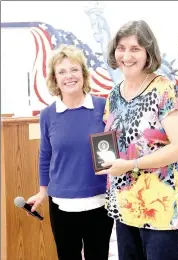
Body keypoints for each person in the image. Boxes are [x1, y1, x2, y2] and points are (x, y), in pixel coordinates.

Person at [97, 20, 178, 260]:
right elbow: (116, 143)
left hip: (162, 209)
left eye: (135, 48)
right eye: (121, 47)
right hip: (125, 206)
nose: (126, 55)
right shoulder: (114, 94)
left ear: (148, 52)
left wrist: (131, 165)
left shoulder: (163, 88)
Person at [27, 45, 113, 260]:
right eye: (62, 72)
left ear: (83, 74)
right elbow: (45, 155)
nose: (69, 76)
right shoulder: (48, 115)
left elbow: (111, 154)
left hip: (100, 201)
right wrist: (41, 190)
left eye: (74, 69)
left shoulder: (104, 107)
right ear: (55, 79)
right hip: (62, 204)